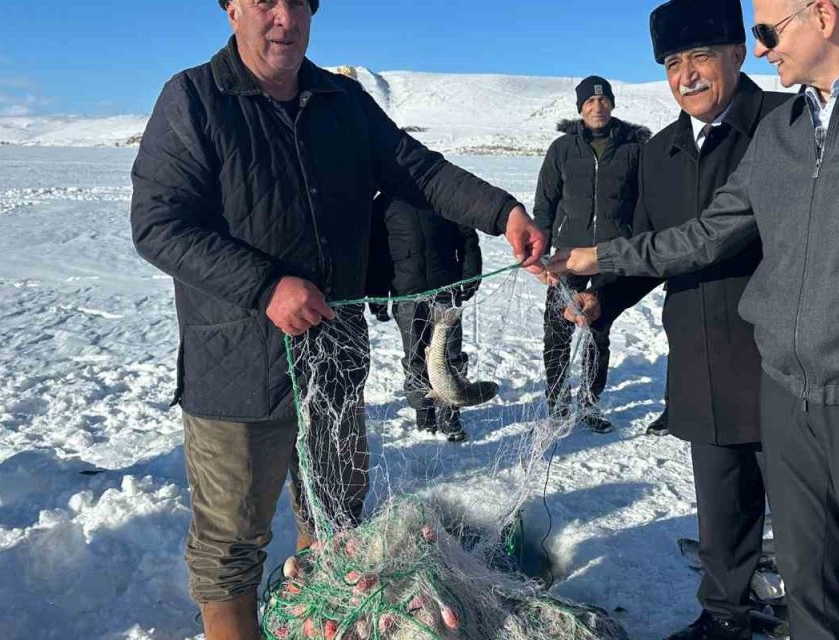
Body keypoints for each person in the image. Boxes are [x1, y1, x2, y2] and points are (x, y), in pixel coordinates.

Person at [548, 1, 839, 637]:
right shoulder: (785, 130)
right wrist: (596, 257)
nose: (763, 50)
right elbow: (708, 235)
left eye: (767, 33)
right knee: (805, 586)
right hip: (786, 394)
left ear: (822, 15)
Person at [129, 1, 544, 637]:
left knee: (335, 518)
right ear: (232, 8)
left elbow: (416, 169)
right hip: (236, 373)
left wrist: (502, 212)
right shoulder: (193, 99)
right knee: (231, 547)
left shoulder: (342, 101)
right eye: (265, 1)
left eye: (299, 2)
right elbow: (158, 225)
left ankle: (317, 621)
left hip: (334, 364)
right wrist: (266, 286)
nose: (284, 18)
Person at [565, 0, 791, 636]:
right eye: (672, 63)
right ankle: (725, 615)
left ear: (737, 55)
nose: (686, 75)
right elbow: (647, 246)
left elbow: (710, 237)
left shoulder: (785, 123)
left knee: (804, 512)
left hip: (781, 357)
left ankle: (806, 614)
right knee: (720, 507)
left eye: (700, 58)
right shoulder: (659, 152)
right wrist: (601, 298)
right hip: (699, 355)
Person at [533, 76, 649, 433]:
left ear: (612, 104)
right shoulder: (563, 149)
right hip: (567, 256)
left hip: (610, 256)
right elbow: (545, 204)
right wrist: (541, 253)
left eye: (603, 101)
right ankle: (557, 404)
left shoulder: (634, 149)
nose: (597, 108)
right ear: (580, 108)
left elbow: (643, 202)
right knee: (556, 331)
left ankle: (590, 404)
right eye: (589, 103)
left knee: (598, 332)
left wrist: (635, 246)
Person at [366, 192, 486, 443]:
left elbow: (467, 237)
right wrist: (377, 295)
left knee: (450, 355)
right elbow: (375, 255)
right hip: (406, 295)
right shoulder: (383, 205)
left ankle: (451, 410)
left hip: (445, 290)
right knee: (415, 357)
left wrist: (471, 272)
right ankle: (424, 409)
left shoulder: (443, 195)